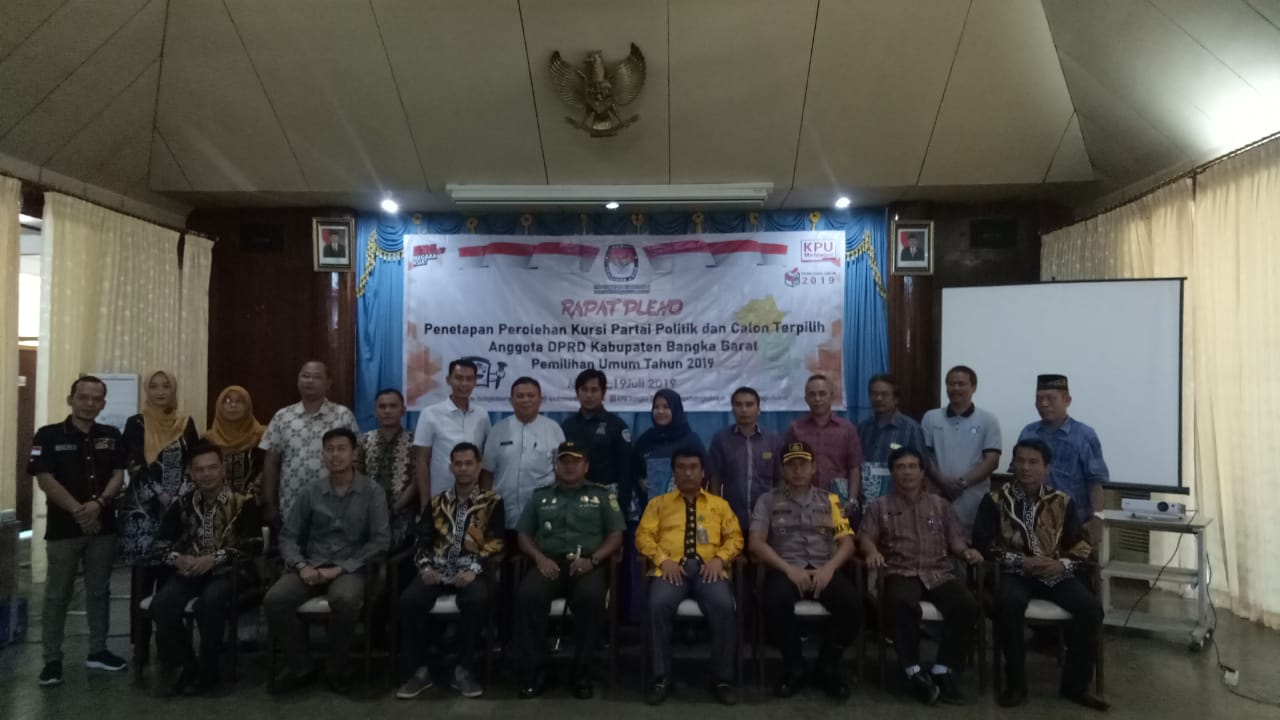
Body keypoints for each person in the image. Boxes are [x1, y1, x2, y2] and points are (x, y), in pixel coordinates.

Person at [972, 439, 1107, 712]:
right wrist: (1019, 561)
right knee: (1008, 604)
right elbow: (982, 544)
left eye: (1033, 462)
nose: (1025, 468)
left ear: (1047, 468)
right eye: (1020, 461)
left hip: (1053, 573)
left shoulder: (1062, 501)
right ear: (1012, 465)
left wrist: (1063, 565)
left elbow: (1080, 545)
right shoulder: (995, 500)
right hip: (1014, 572)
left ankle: (1075, 685)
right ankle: (1016, 684)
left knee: (1091, 609)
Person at [264, 428, 390, 695]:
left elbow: (380, 541)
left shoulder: (372, 492)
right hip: (312, 564)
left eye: (342, 449)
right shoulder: (310, 492)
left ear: (354, 454)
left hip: (351, 568)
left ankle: (336, 668)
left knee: (344, 599)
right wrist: (301, 566)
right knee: (275, 599)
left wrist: (341, 569)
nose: (335, 455)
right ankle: (302, 667)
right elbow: (288, 536)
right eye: (329, 449)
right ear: (322, 455)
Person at [858, 447, 982, 706]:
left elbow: (955, 541)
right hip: (900, 570)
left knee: (967, 606)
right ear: (892, 473)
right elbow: (866, 537)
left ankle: (943, 670)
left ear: (922, 472)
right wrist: (872, 552)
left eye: (912, 466)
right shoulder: (879, 506)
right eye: (901, 467)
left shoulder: (941, 505)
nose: (907, 472)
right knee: (899, 603)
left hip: (938, 571)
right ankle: (912, 672)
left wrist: (966, 552)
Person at [28, 376, 129, 686]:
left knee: (99, 591)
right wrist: (79, 511)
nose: (89, 403)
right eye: (83, 397)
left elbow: (118, 474)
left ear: (103, 404)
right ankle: (52, 659)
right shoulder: (48, 435)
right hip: (63, 530)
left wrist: (99, 504)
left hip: (103, 527)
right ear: (70, 399)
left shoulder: (111, 435)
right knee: (58, 594)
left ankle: (98, 650)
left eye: (96, 399)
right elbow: (44, 479)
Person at [149, 441, 262, 696]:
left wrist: (215, 558)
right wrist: (177, 558)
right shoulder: (183, 503)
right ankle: (187, 665)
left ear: (222, 469)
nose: (206, 474)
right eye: (200, 469)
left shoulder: (243, 501)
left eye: (212, 468)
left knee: (209, 603)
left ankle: (209, 671)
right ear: (190, 472)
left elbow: (254, 544)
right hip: (190, 570)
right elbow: (159, 544)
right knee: (162, 604)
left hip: (232, 571)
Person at [513, 441, 624, 700]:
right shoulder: (540, 496)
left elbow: (616, 536)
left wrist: (593, 560)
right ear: (556, 465)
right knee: (528, 596)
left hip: (587, 565)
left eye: (575, 461)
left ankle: (581, 672)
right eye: (564, 461)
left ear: (586, 466)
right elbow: (523, 535)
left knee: (591, 598)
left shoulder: (602, 496)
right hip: (549, 563)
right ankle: (538, 671)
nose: (569, 466)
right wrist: (539, 558)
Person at [749, 441, 859, 699]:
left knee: (851, 604)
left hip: (823, 568)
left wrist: (829, 569)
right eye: (791, 465)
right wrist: (788, 569)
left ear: (814, 467)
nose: (797, 470)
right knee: (774, 601)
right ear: (782, 469)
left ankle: (827, 665)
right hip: (785, 568)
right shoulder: (767, 501)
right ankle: (794, 666)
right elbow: (755, 542)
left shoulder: (830, 500)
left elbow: (847, 544)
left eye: (803, 464)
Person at [397, 442, 505, 700]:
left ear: (478, 467)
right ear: (450, 467)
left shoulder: (492, 502)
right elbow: (422, 540)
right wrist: (425, 567)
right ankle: (420, 669)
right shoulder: (437, 502)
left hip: (471, 570)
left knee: (477, 600)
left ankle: (463, 669)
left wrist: (474, 569)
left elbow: (497, 542)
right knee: (410, 600)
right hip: (437, 569)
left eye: (469, 463)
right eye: (458, 464)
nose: (463, 469)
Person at [636, 448, 743, 706]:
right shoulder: (658, 504)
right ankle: (661, 677)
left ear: (703, 472)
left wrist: (720, 559)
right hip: (670, 570)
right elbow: (643, 536)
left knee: (723, 605)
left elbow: (735, 537)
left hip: (709, 571)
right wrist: (663, 560)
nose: (687, 473)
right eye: (681, 467)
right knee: (657, 604)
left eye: (693, 467)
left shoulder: (720, 505)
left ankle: (722, 679)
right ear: (673, 472)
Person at [259, 360, 360, 525]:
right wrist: (268, 503)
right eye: (305, 376)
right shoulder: (282, 417)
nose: (310, 381)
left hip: (336, 505)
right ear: (298, 380)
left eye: (317, 377)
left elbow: (357, 460)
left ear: (328, 383)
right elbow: (271, 461)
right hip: (292, 505)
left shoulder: (343, 415)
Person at [118, 370, 200, 564]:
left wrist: (180, 495)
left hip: (180, 503)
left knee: (176, 564)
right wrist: (160, 493)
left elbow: (194, 460)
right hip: (143, 505)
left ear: (173, 390)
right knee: (143, 569)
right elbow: (133, 463)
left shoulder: (185, 423)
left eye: (166, 386)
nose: (160, 391)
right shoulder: (136, 423)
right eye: (154, 387)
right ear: (147, 390)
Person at [1015, 374, 1109, 539]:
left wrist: (1097, 518)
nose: (1044, 404)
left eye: (1050, 398)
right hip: (1032, 523)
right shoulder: (1028, 433)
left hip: (1074, 523)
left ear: (1067, 400)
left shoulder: (1084, 435)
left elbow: (1095, 482)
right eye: (1039, 399)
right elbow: (1017, 478)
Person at [920, 365, 1001, 533]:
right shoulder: (931, 417)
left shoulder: (988, 420)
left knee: (970, 544)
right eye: (951, 384)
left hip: (973, 498)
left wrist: (963, 484)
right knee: (934, 539)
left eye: (961, 384)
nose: (955, 388)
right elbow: (925, 456)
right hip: (936, 495)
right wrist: (943, 483)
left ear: (974, 387)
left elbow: (992, 461)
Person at [483, 376, 564, 537]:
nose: (525, 400)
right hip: (504, 514)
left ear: (540, 399)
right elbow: (487, 472)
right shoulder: (498, 429)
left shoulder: (553, 429)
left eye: (531, 395)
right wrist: (485, 508)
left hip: (543, 514)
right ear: (511, 400)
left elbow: (561, 473)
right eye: (520, 396)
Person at [413, 358, 492, 505]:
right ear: (448, 380)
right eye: (459, 378)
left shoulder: (482, 415)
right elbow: (421, 461)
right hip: (439, 498)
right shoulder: (430, 414)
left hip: (473, 499)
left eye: (469, 379)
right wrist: (425, 501)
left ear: (475, 382)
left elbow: (485, 459)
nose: (464, 384)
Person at [783, 374, 863, 515]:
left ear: (831, 396)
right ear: (806, 399)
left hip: (839, 502)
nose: (817, 399)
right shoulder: (795, 429)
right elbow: (786, 466)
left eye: (822, 394)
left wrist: (852, 499)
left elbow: (854, 467)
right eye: (812, 394)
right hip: (803, 503)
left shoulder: (847, 429)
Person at [708, 386, 782, 533]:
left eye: (749, 405)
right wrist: (716, 514)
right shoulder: (721, 439)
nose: (744, 409)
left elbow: (780, 479)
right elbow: (715, 480)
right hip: (731, 518)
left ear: (758, 409)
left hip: (766, 519)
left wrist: (779, 510)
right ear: (732, 409)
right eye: (738, 405)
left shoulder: (773, 440)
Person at [559, 369, 634, 513]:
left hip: (606, 499)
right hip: (573, 498)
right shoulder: (567, 426)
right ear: (577, 393)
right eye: (584, 389)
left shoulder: (616, 425)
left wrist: (622, 506)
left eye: (594, 390)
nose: (589, 395)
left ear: (603, 393)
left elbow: (626, 468)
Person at [357, 388, 416, 549]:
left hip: (404, 514)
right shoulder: (364, 440)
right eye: (382, 406)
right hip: (370, 512)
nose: (387, 411)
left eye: (393, 406)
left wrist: (397, 507)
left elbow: (417, 480)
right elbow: (357, 477)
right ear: (375, 412)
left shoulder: (415, 441)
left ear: (403, 410)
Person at [856, 374, 926, 501]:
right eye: (874, 394)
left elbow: (922, 467)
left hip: (900, 499)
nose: (878, 398)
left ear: (896, 399)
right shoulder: (863, 428)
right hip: (866, 499)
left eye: (884, 394)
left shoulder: (911, 428)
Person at [633, 389, 705, 502]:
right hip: (652, 507)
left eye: (666, 407)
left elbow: (704, 473)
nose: (660, 411)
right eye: (656, 407)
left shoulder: (690, 440)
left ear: (675, 409)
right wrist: (641, 482)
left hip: (685, 506)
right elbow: (635, 471)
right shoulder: (645, 440)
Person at [204, 385, 266, 496]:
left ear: (248, 406)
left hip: (254, 501)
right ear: (220, 406)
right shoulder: (207, 439)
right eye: (228, 401)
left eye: (239, 401)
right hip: (214, 502)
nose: (233, 405)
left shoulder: (262, 436)